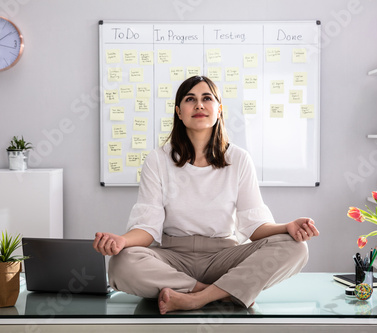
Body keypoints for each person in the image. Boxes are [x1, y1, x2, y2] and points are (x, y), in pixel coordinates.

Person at [93, 75, 319, 314]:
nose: (199, 105)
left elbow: (254, 227)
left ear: (219, 110)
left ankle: (195, 298)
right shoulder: (157, 160)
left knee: (296, 247)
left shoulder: (239, 159)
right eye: (190, 99)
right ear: (179, 112)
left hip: (224, 257)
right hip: (172, 257)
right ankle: (223, 293)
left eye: (207, 98)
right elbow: (147, 229)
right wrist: (122, 241)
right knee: (121, 262)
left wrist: (288, 226)